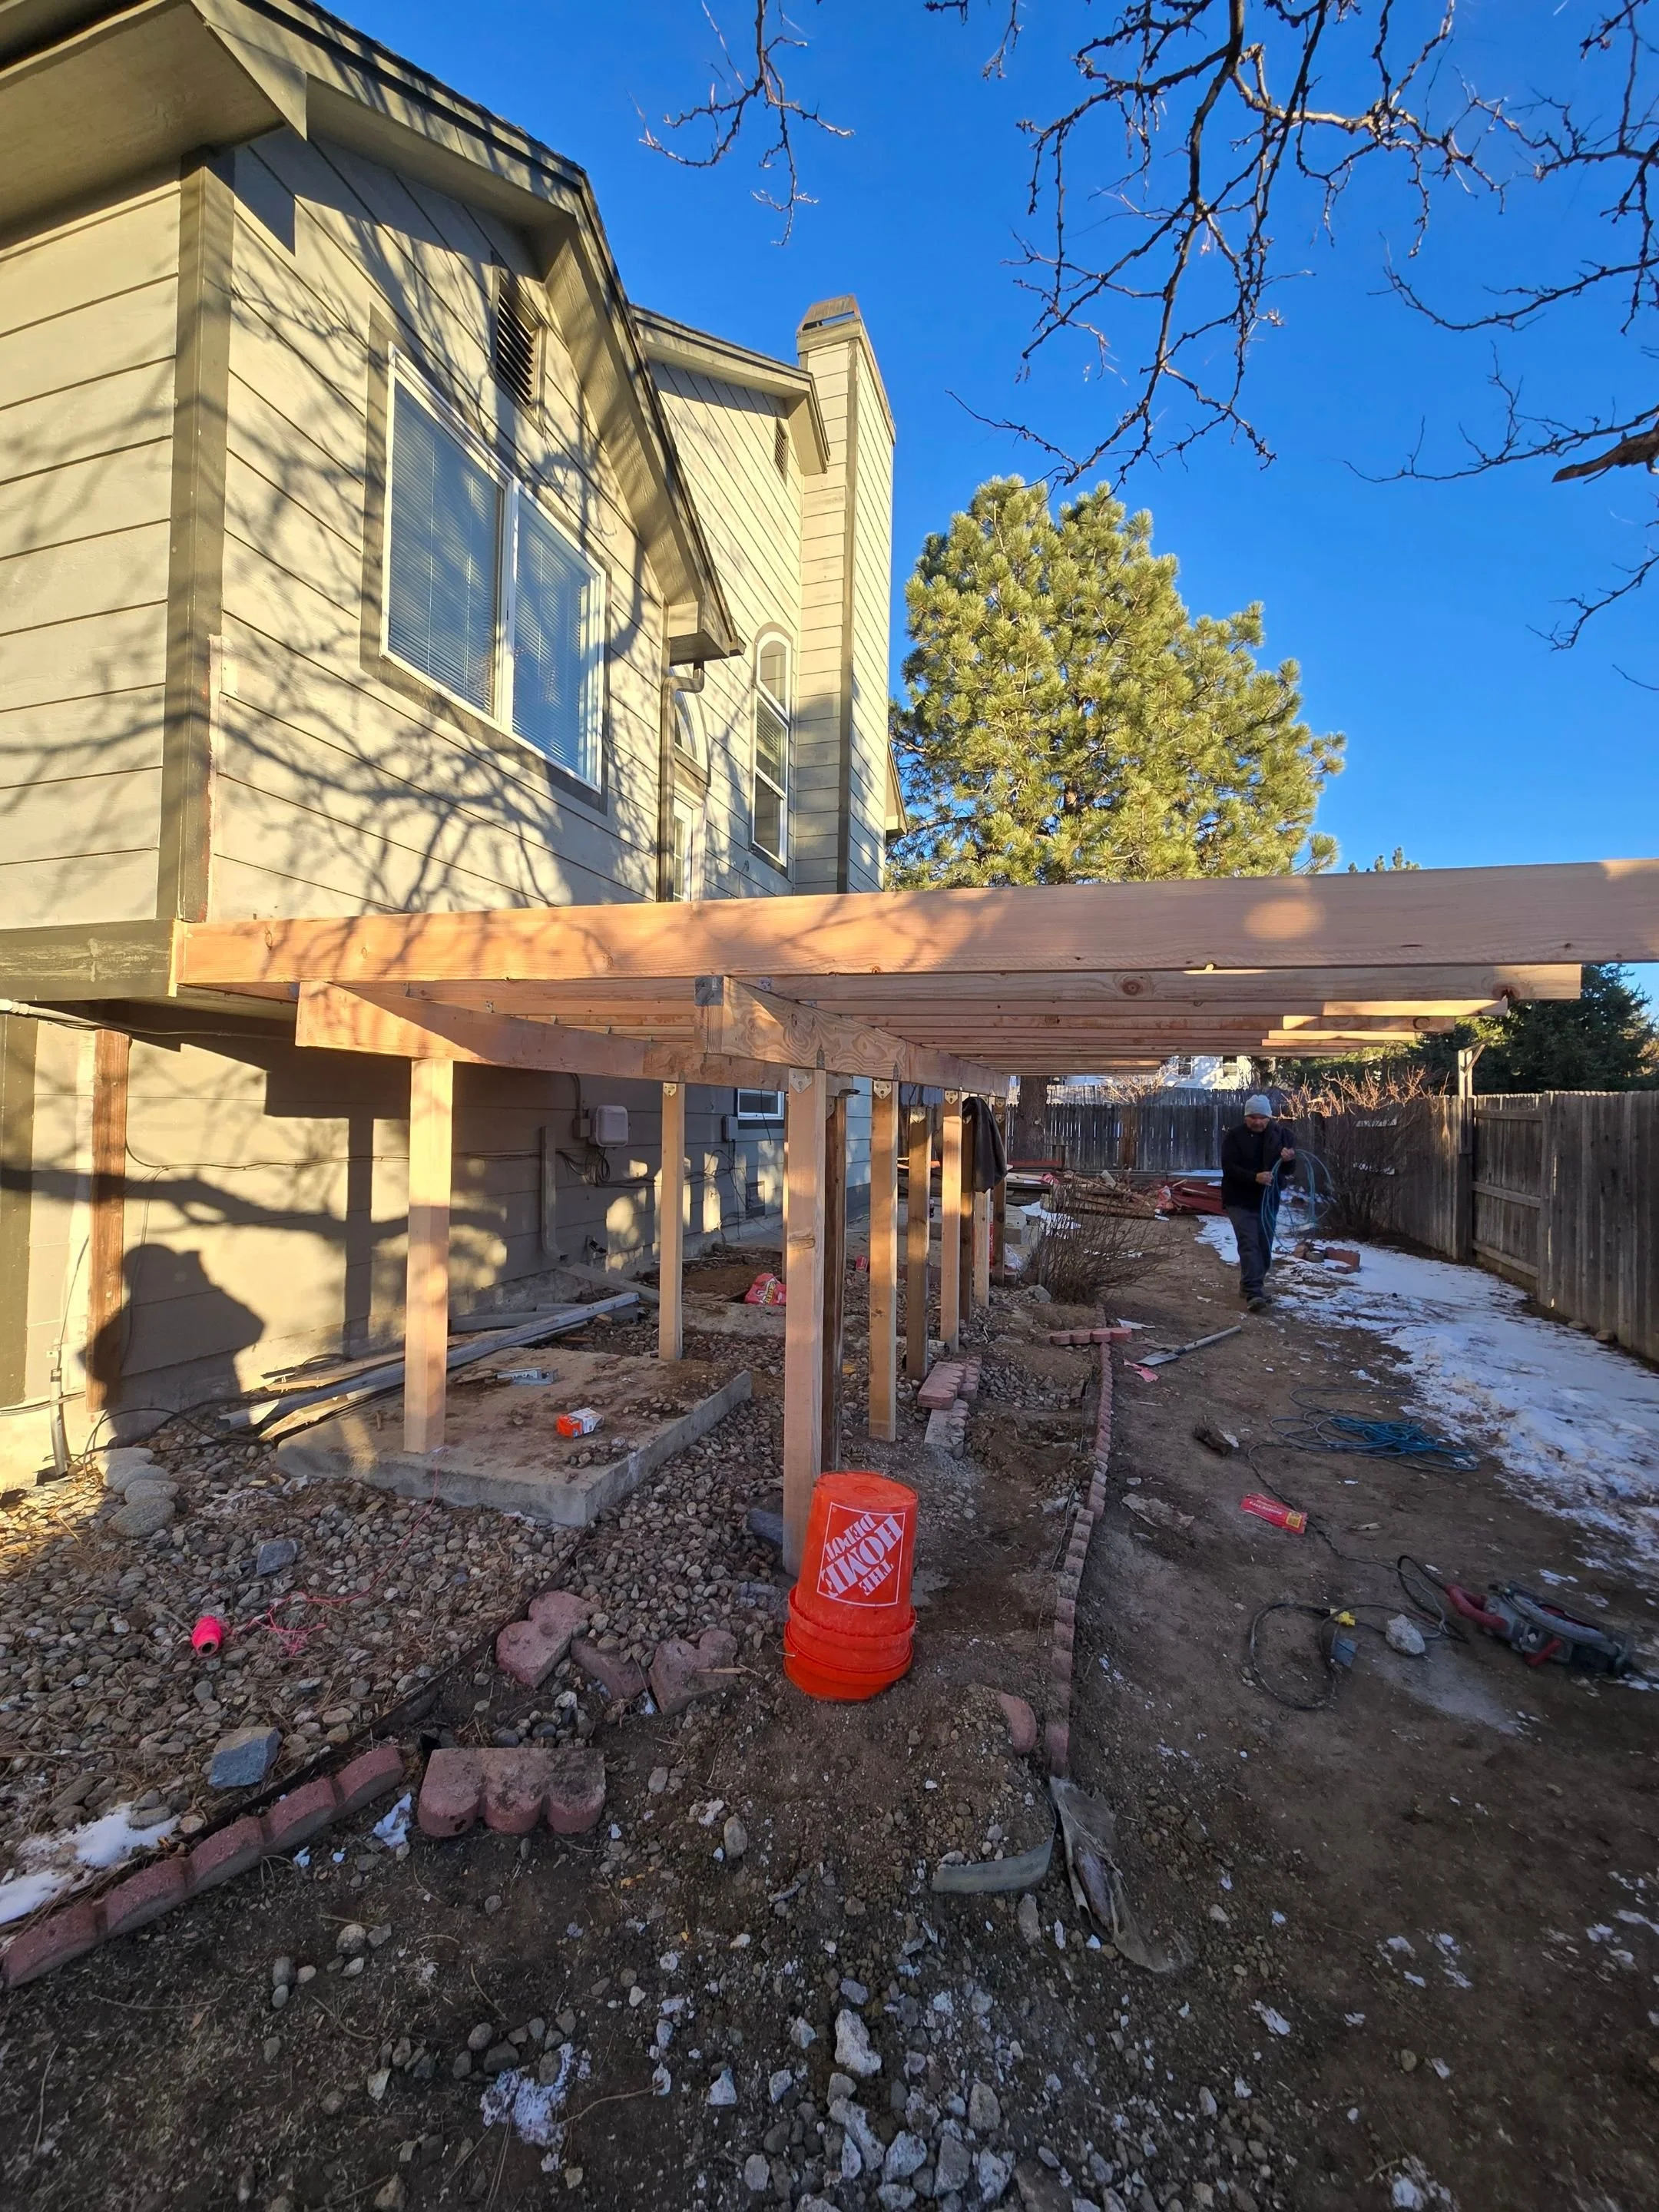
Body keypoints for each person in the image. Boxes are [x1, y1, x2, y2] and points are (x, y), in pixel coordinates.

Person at [1220, 1094, 1295, 1311]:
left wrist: (1290, 1159)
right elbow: (1229, 1167)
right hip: (1239, 1199)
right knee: (1249, 1242)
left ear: (1269, 1117)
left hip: (1268, 1200)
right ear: (1246, 1117)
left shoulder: (1283, 1136)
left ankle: (1249, 1285)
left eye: (1262, 1117)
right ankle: (1255, 1292)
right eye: (1253, 1117)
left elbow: (1288, 1170)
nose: (1258, 1121)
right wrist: (1255, 1177)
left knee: (1264, 1245)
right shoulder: (1234, 1137)